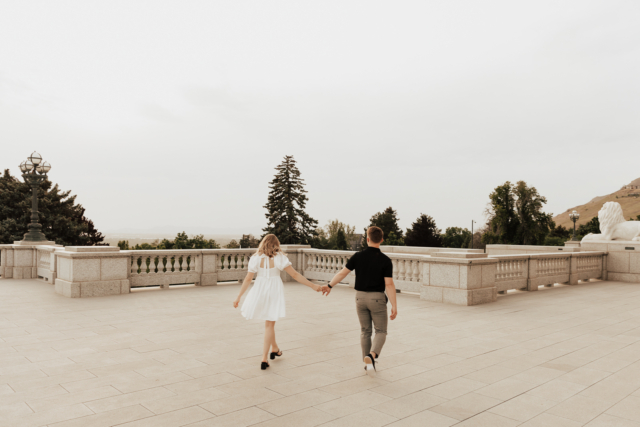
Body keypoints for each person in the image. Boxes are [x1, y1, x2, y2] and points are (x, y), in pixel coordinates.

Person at [233, 234, 321, 370]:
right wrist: (313, 286)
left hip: (260, 290)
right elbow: (295, 275)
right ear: (276, 244)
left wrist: (239, 296)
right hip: (273, 290)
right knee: (269, 324)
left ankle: (275, 349)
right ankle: (264, 359)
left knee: (269, 323)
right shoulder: (280, 257)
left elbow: (248, 279)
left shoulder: (256, 258)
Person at [321, 226, 397, 376]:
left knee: (365, 331)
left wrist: (329, 285)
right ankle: (372, 356)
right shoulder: (385, 260)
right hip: (377, 298)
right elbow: (389, 284)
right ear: (381, 240)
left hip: (360, 298)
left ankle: (367, 363)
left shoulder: (357, 256)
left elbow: (342, 273)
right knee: (381, 331)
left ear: (367, 239)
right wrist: (394, 305)